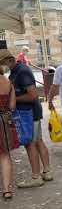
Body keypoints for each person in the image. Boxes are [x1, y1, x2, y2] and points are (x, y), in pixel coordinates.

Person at [0, 50, 53, 188]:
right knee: (37, 141)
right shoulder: (16, 71)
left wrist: (11, 99)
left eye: (2, 63)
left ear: (8, 60)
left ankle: (36, 176)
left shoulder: (21, 71)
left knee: (30, 144)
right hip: (31, 111)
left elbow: (33, 95)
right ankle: (47, 171)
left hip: (29, 112)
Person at [0, 62, 19, 200]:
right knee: (5, 156)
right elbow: (12, 106)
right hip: (5, 121)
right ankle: (7, 190)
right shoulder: (8, 82)